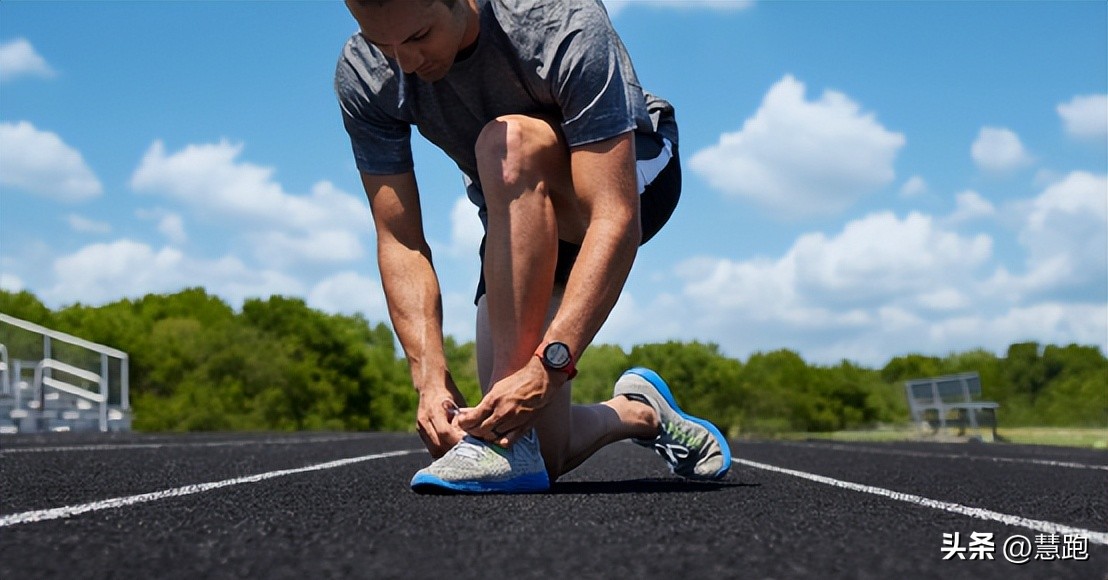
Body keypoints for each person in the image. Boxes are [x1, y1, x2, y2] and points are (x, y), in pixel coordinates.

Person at [335, 0, 731, 493]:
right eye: (382, 45)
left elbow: (614, 218)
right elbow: (400, 240)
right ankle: (641, 412)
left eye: (418, 38)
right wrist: (429, 376)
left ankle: (511, 430)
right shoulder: (364, 73)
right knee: (537, 447)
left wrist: (551, 366)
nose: (404, 63)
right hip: (518, 210)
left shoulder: (561, 22)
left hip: (626, 178)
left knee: (506, 142)